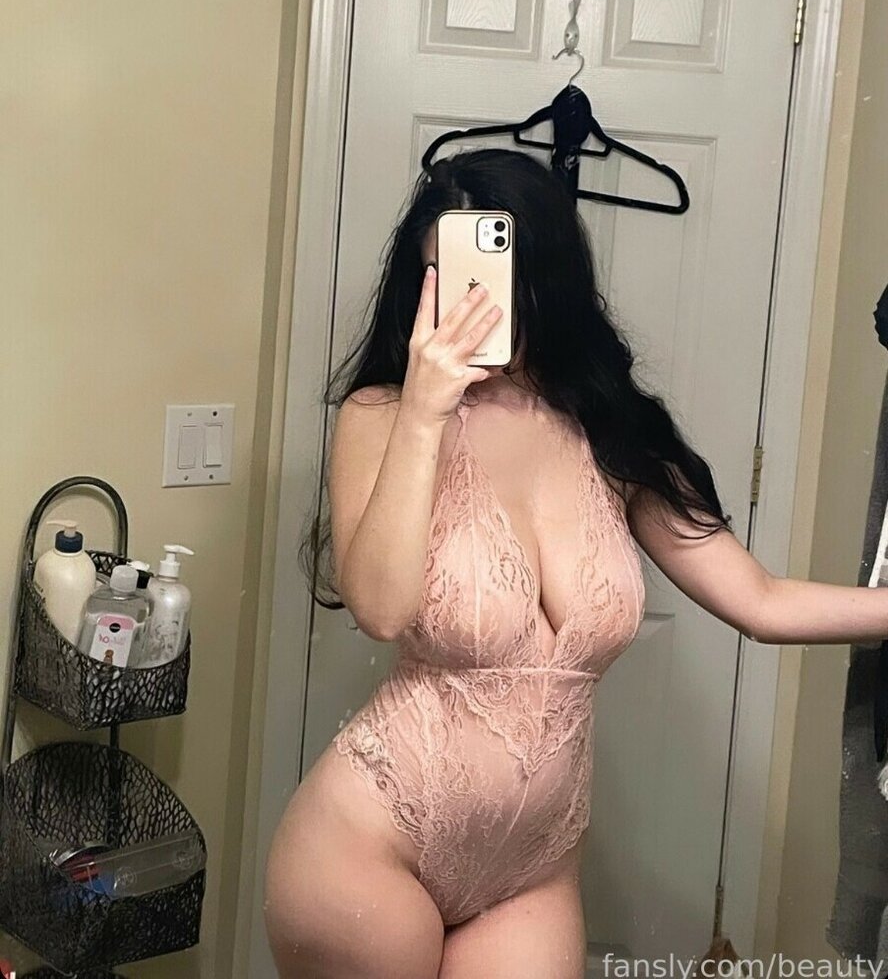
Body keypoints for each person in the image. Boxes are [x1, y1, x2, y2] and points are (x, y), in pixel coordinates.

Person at [264, 149, 888, 979]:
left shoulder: (609, 433)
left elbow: (762, 601)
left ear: (546, 277)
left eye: (498, 273)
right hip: (369, 848)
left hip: (532, 872)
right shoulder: (380, 414)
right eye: (448, 276)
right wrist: (423, 411)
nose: (474, 300)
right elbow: (379, 608)